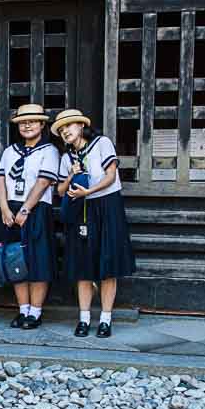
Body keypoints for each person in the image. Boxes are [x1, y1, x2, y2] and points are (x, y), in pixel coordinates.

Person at [52, 108, 136, 338]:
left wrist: (88, 191)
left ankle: (106, 319)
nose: (65, 131)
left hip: (107, 205)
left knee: (108, 265)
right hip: (80, 210)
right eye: (61, 130)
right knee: (83, 266)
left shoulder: (101, 143)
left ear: (81, 125)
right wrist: (71, 175)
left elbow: (110, 176)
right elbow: (59, 190)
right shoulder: (67, 157)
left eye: (69, 126)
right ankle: (84, 318)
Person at [0, 103, 61, 329]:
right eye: (23, 122)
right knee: (16, 261)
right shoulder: (9, 151)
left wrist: (25, 209)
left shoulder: (49, 151)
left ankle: (35, 311)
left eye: (32, 121)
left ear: (42, 124)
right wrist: (4, 207)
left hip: (37, 209)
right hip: (9, 210)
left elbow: (43, 182)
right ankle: (22, 310)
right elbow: (1, 180)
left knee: (38, 262)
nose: (27, 125)